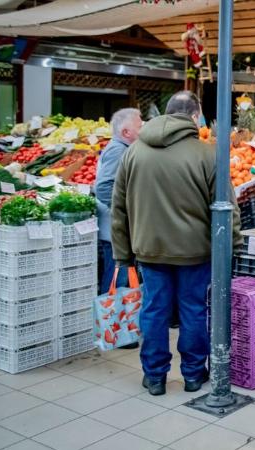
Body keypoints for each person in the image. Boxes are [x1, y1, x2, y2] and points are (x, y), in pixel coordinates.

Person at [111, 91, 242, 396]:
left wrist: (123, 256)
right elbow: (227, 208)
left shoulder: (133, 153)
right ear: (195, 117)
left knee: (154, 310)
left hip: (149, 250)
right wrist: (232, 248)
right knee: (193, 310)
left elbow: (119, 208)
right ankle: (194, 374)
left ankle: (154, 376)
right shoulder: (207, 154)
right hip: (194, 252)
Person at [96, 107, 143, 350]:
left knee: (121, 276)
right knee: (117, 277)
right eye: (140, 124)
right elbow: (103, 189)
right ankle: (115, 330)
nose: (143, 127)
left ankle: (120, 328)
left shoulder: (123, 149)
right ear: (126, 131)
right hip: (114, 230)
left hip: (117, 228)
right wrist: (125, 213)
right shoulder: (117, 151)